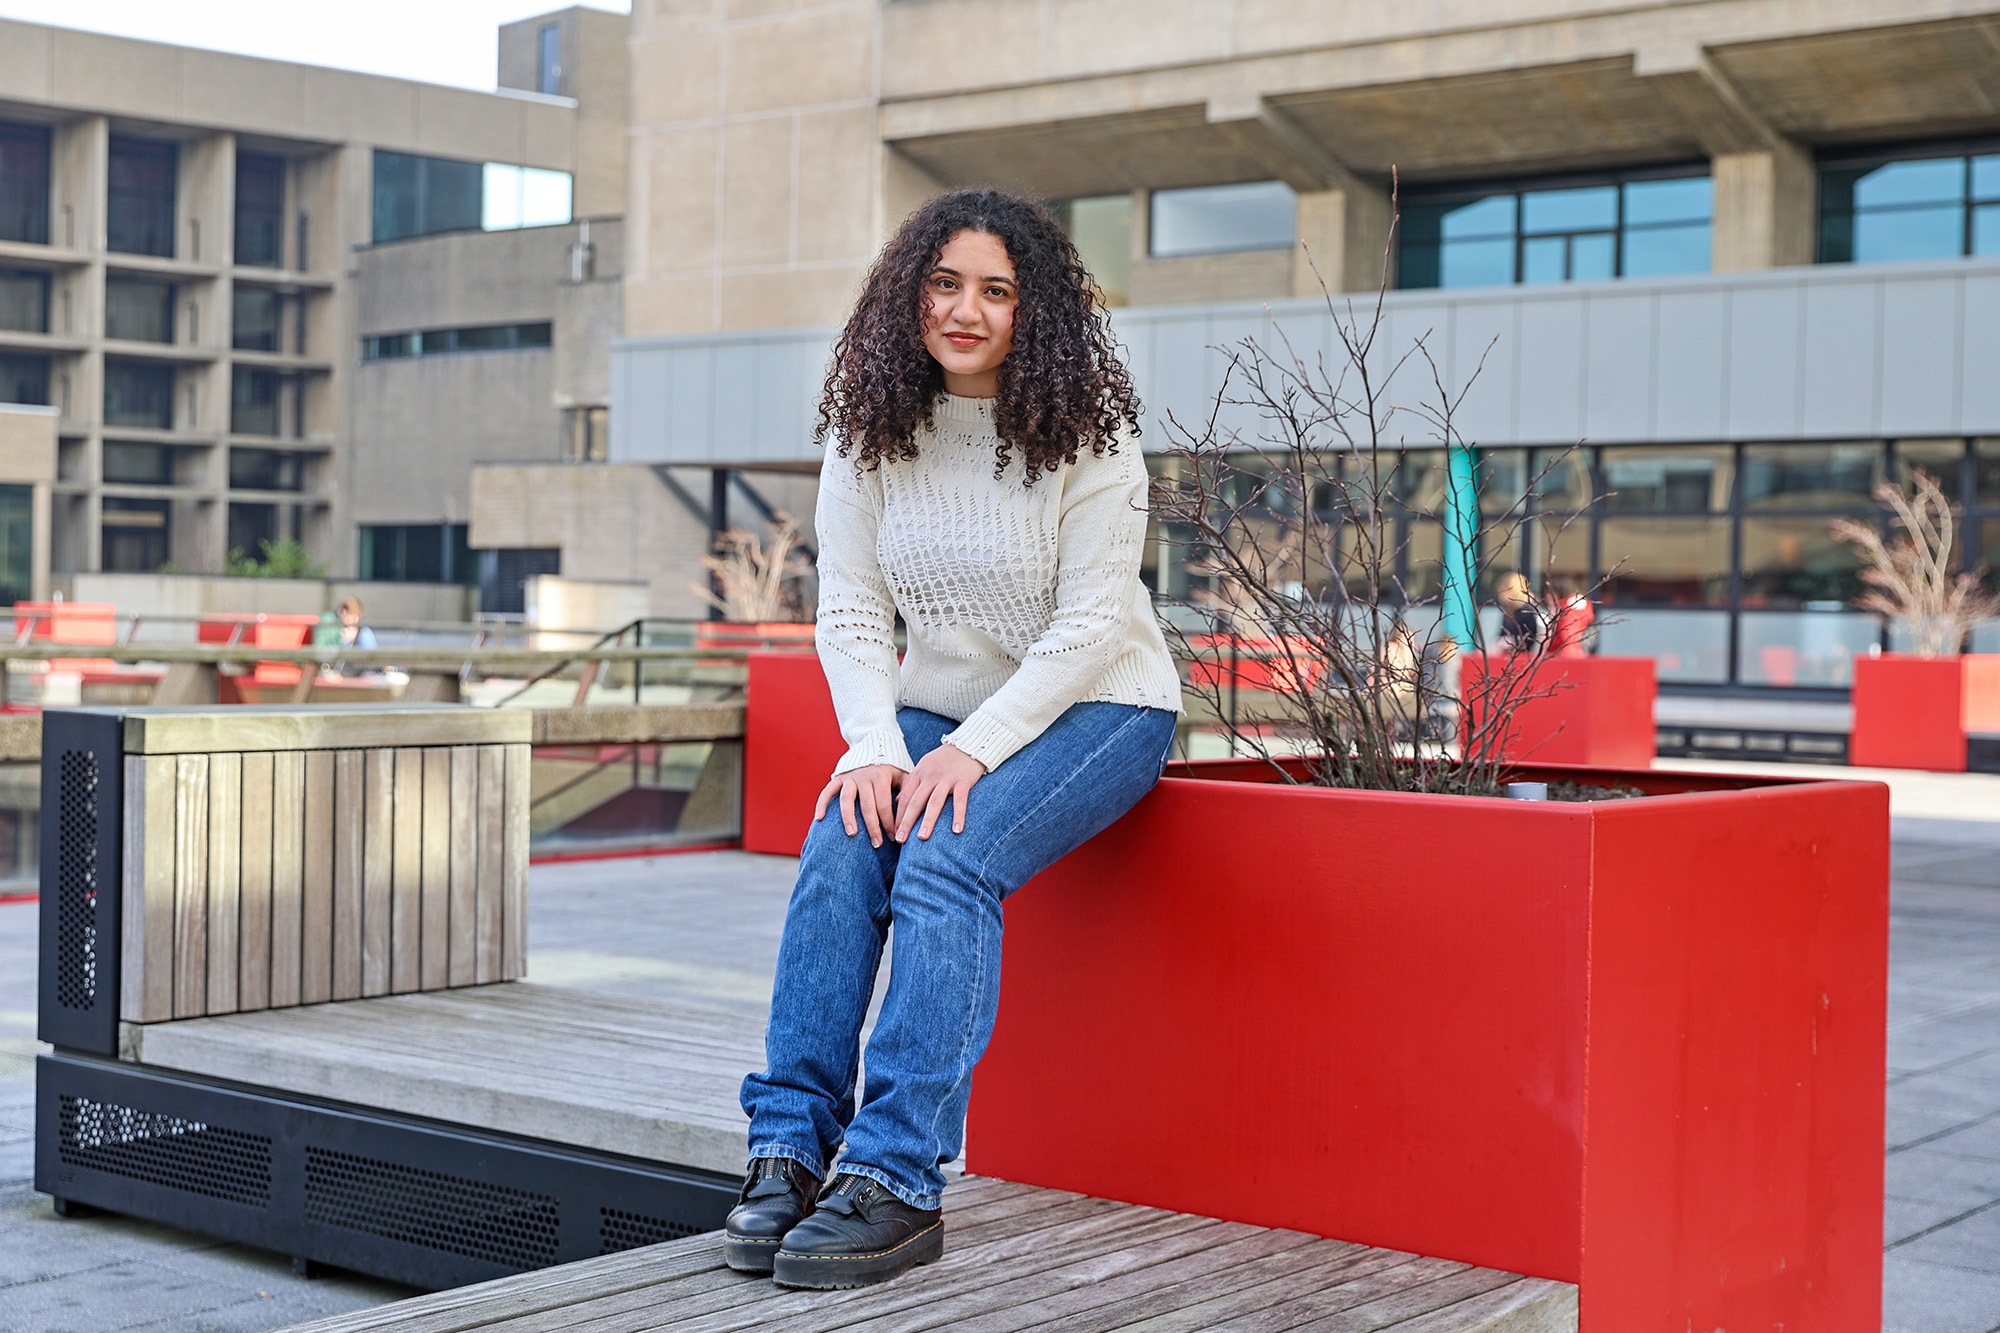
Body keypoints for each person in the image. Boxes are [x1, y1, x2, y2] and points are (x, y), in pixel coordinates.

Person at [726, 189, 1184, 1291]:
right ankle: (789, 1147)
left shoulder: (1091, 436)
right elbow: (849, 610)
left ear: (1036, 312)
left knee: (945, 857)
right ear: (909, 294)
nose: (964, 310)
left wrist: (970, 751)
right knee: (846, 837)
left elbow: (1089, 627)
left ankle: (894, 1176)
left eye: (995, 290)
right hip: (935, 708)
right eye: (943, 283)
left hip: (1101, 706)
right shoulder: (872, 428)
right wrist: (873, 747)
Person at [1494, 572, 1544, 654]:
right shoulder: (1508, 610)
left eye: (1504, 591)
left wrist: (1514, 641)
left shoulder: (1528, 610)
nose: (1501, 595)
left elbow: (1531, 636)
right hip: (1508, 654)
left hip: (1525, 655)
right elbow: (1502, 632)